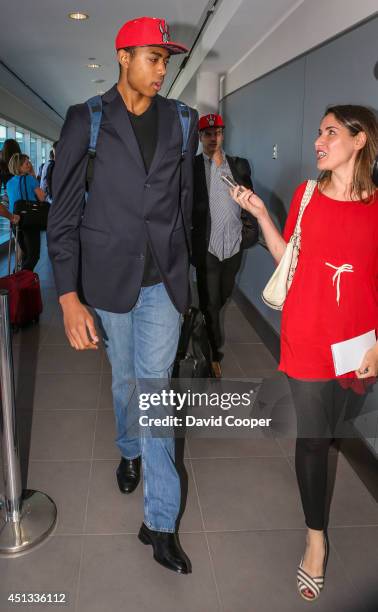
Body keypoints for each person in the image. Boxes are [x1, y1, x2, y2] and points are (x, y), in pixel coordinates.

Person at [47, 16, 198, 574]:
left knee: (154, 390)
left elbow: (185, 206)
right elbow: (61, 218)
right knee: (125, 380)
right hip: (108, 280)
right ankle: (127, 450)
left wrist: (189, 279)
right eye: (152, 57)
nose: (162, 69)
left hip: (164, 279)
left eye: (166, 60)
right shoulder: (83, 122)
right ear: (122, 57)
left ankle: (159, 522)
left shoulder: (181, 121)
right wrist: (67, 297)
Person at [231, 105, 378, 601]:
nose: (319, 140)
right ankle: (316, 539)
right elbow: (286, 260)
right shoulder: (307, 195)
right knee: (314, 438)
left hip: (359, 347)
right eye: (318, 132)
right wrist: (262, 215)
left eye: (331, 132)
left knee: (339, 424)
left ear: (360, 141)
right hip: (307, 337)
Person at [192, 113, 258, 377]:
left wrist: (247, 236)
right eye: (207, 134)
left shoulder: (239, 166)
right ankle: (213, 352)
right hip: (206, 246)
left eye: (217, 133)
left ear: (223, 135)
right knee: (210, 301)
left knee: (223, 296)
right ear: (200, 137)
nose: (213, 138)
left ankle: (202, 327)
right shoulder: (192, 166)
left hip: (232, 245)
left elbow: (251, 204)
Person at [5, 153, 45, 270]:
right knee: (33, 255)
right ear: (19, 167)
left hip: (15, 221)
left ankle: (18, 277)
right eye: (26, 163)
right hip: (30, 220)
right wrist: (33, 176)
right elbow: (42, 197)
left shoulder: (9, 182)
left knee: (25, 252)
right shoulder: (30, 179)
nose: (29, 165)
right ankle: (22, 278)